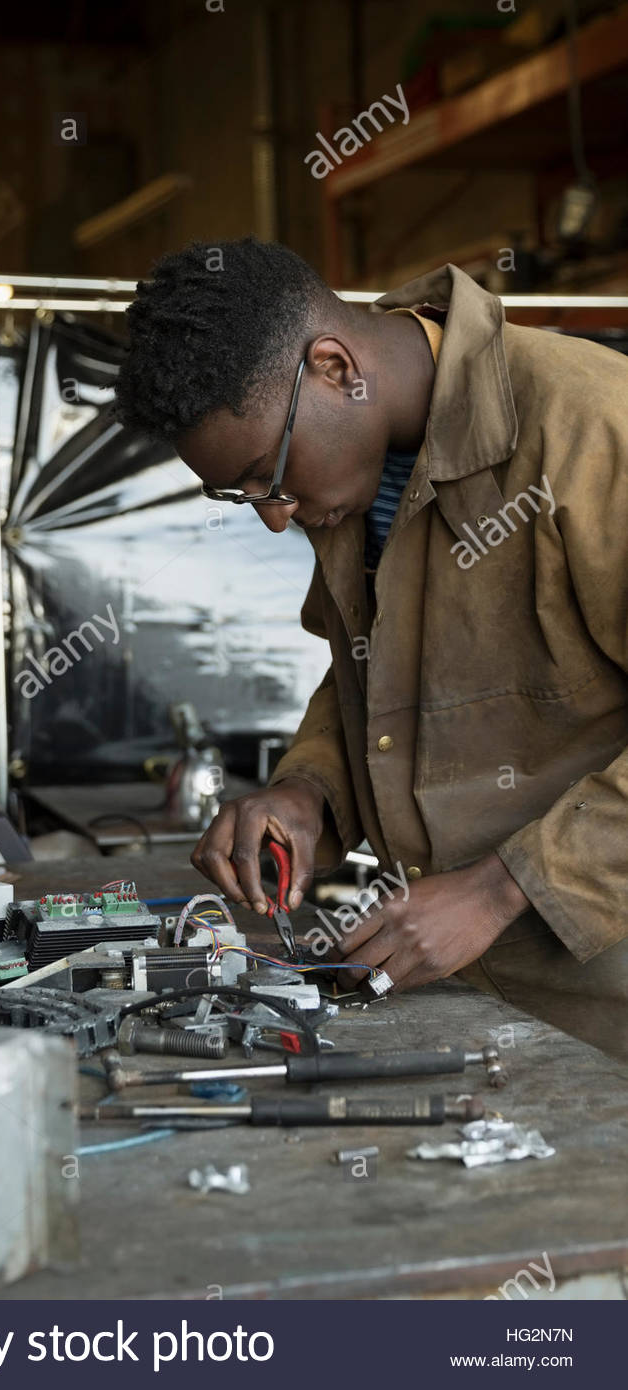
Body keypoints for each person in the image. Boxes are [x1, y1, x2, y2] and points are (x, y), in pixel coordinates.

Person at [114, 236, 628, 1061]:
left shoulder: (592, 426)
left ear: (333, 366)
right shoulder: (358, 471)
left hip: (607, 1006)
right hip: (469, 1002)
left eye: (267, 473)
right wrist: (307, 794)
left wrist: (502, 889)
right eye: (240, 494)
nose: (273, 516)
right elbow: (375, 673)